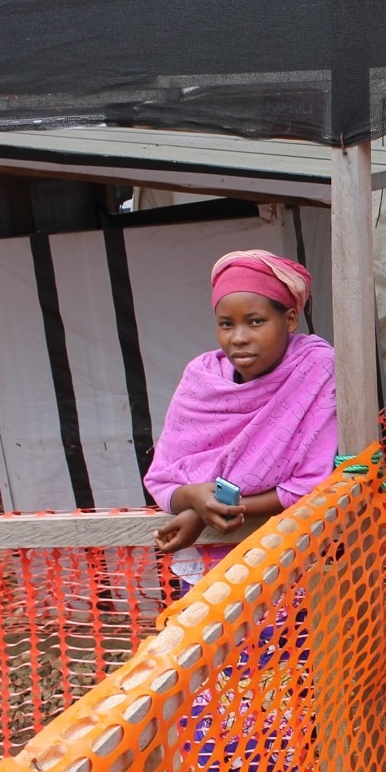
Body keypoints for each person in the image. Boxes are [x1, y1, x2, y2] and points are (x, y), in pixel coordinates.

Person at [147, 249, 338, 586]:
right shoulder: (200, 380)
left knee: (290, 640)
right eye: (226, 324)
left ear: (290, 319)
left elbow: (312, 483)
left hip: (290, 562)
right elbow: (163, 479)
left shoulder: (315, 371)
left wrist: (205, 514)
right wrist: (193, 499)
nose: (238, 338)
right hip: (204, 573)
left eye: (255, 322)